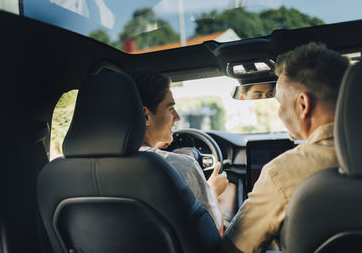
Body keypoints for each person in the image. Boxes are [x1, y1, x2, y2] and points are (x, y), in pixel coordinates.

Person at [221, 42, 349, 252]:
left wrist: (221, 210)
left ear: (303, 105)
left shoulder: (282, 173)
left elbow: (231, 250)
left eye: (280, 102)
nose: (279, 113)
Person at [133, 71, 235, 236]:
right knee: (230, 190)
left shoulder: (86, 168)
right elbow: (214, 237)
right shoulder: (182, 166)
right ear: (146, 116)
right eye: (171, 109)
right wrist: (211, 191)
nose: (177, 117)